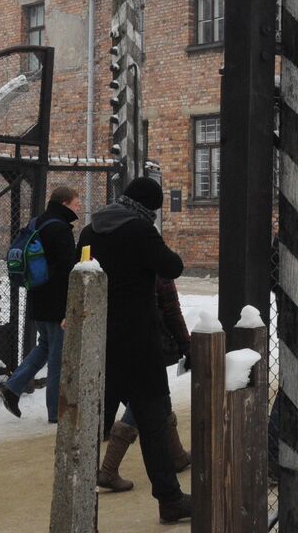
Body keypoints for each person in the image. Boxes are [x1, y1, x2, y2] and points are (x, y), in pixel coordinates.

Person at [78, 176, 192, 523]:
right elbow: (172, 266)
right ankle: (170, 500)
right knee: (153, 423)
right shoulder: (140, 231)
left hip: (99, 342)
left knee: (91, 425)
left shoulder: (90, 231)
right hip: (139, 344)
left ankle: (79, 502)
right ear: (149, 208)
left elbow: (80, 272)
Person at [97, 275, 192, 491]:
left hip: (118, 341)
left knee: (159, 395)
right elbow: (172, 311)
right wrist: (186, 345)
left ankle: (176, 454)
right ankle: (109, 469)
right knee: (143, 400)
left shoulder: (113, 255)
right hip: (148, 345)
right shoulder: (155, 262)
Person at [0, 184, 80, 422]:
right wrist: (69, 307)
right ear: (65, 203)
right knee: (57, 358)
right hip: (57, 304)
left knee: (44, 346)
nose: (78, 208)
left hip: (37, 296)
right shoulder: (60, 228)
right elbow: (68, 269)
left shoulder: (37, 222)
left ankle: (12, 388)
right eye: (76, 204)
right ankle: (56, 413)